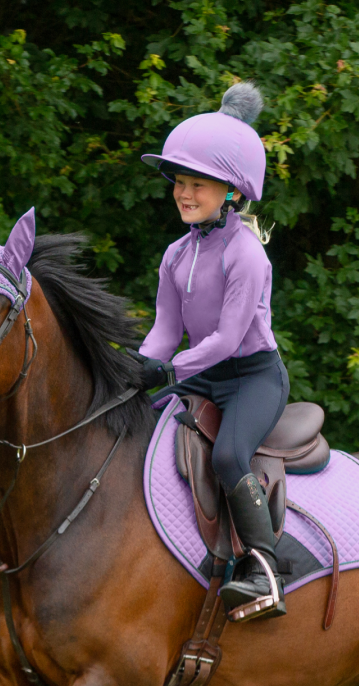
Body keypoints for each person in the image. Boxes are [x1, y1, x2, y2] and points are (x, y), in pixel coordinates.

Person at [136, 82, 289, 621]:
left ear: (231, 191)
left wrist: (168, 368)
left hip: (252, 377)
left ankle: (266, 569)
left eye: (197, 183)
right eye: (180, 182)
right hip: (203, 373)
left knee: (227, 455)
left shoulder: (247, 256)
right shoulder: (176, 254)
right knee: (140, 425)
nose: (184, 193)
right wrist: (138, 363)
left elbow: (225, 340)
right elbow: (164, 329)